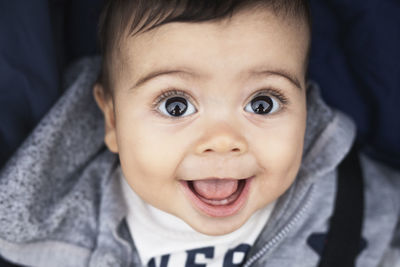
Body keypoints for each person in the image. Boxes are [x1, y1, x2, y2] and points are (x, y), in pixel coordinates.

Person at [0, 1, 399, 266]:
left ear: (306, 106)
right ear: (113, 122)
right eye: (176, 105)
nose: (223, 139)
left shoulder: (360, 202)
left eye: (262, 103)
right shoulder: (60, 231)